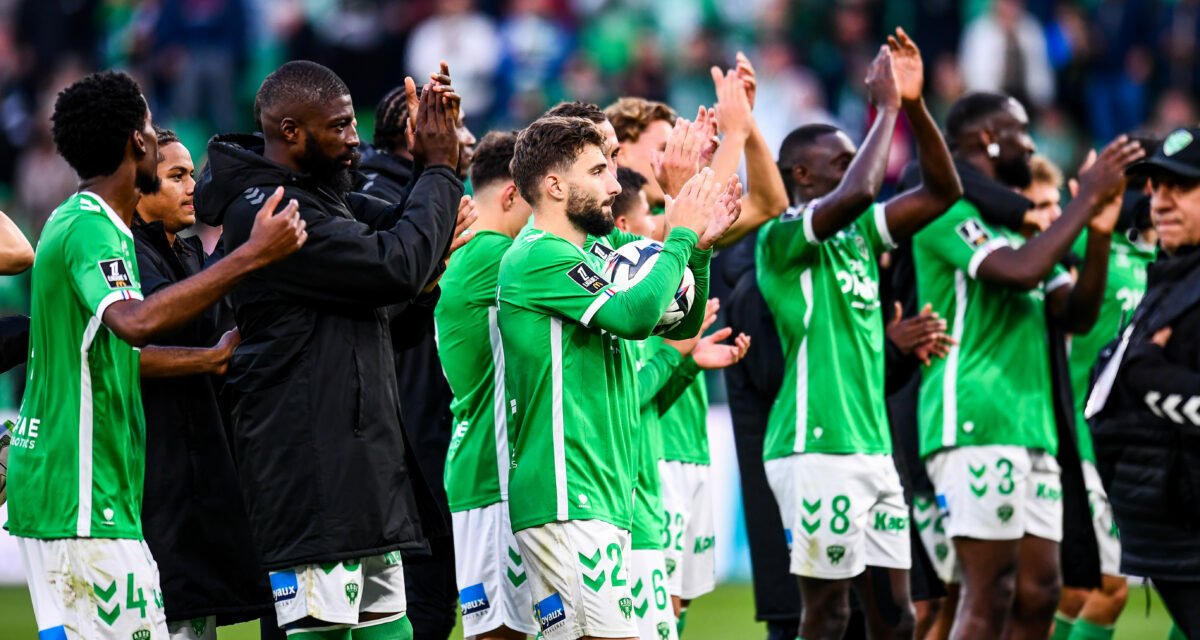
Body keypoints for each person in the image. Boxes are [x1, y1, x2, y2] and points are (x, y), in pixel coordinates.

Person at [5, 70, 306, 640]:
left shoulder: (80, 223)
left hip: (75, 490)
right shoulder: (93, 228)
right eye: (147, 125)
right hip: (82, 498)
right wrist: (249, 257)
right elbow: (136, 324)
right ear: (135, 144)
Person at [192, 60, 464, 639]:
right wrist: (439, 169)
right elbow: (396, 265)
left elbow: (395, 281)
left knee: (388, 630)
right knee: (324, 631)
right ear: (291, 131)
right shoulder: (276, 212)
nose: (353, 138)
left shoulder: (318, 196)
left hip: (357, 468)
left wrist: (431, 175)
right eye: (339, 126)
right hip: (310, 472)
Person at [912, 80, 1144, 638]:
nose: (1032, 147)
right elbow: (1019, 272)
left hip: (1033, 426)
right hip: (973, 419)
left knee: (1040, 593)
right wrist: (1084, 197)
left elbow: (1076, 312)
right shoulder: (949, 212)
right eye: (1021, 134)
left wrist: (1100, 229)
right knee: (986, 593)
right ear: (988, 138)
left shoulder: (1019, 228)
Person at [757, 30, 963, 640]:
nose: (857, 166)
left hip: (871, 448)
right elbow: (865, 189)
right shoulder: (783, 236)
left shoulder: (859, 235)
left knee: (896, 617)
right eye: (839, 161)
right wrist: (887, 109)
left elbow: (944, 192)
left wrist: (918, 104)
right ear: (801, 174)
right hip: (814, 444)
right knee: (828, 615)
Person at [498, 115, 736, 640]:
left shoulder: (596, 253)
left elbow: (679, 323)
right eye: (599, 170)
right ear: (555, 185)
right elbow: (633, 317)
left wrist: (697, 251)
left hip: (605, 490)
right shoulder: (538, 256)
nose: (614, 184)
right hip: (566, 491)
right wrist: (681, 235)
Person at [132, 126, 275, 640]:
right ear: (140, 187)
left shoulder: (187, 252)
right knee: (169, 612)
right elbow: (159, 331)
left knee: (196, 616)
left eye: (193, 174)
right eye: (176, 176)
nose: (192, 186)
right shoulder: (130, 256)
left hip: (199, 464)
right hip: (155, 468)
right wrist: (240, 247)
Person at [609, 166, 751, 640]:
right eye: (650, 210)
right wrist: (675, 354)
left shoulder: (644, 287)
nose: (656, 221)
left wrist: (686, 363)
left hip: (669, 466)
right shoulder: (624, 295)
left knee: (676, 610)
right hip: (641, 478)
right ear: (624, 226)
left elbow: (646, 391)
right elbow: (629, 395)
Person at [359, 78, 478, 640]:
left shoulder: (372, 198)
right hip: (416, 418)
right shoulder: (397, 206)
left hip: (377, 425)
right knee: (424, 596)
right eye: (448, 122)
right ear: (417, 132)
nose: (463, 142)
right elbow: (403, 297)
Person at [1088, 127, 1200, 637]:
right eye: (1156, 186)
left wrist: (1152, 377)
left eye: (1182, 186)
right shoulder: (1171, 275)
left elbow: (1141, 379)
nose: (1161, 201)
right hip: (1164, 537)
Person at [435, 130, 536, 640]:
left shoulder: (475, 254)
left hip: (485, 465)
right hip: (494, 472)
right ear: (512, 195)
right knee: (501, 633)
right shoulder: (497, 257)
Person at [1049, 161, 1155, 640]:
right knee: (1110, 588)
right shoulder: (1102, 252)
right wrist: (1083, 204)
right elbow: (1046, 244)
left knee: (1136, 590)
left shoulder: (1163, 267)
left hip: (1149, 440)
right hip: (1091, 437)